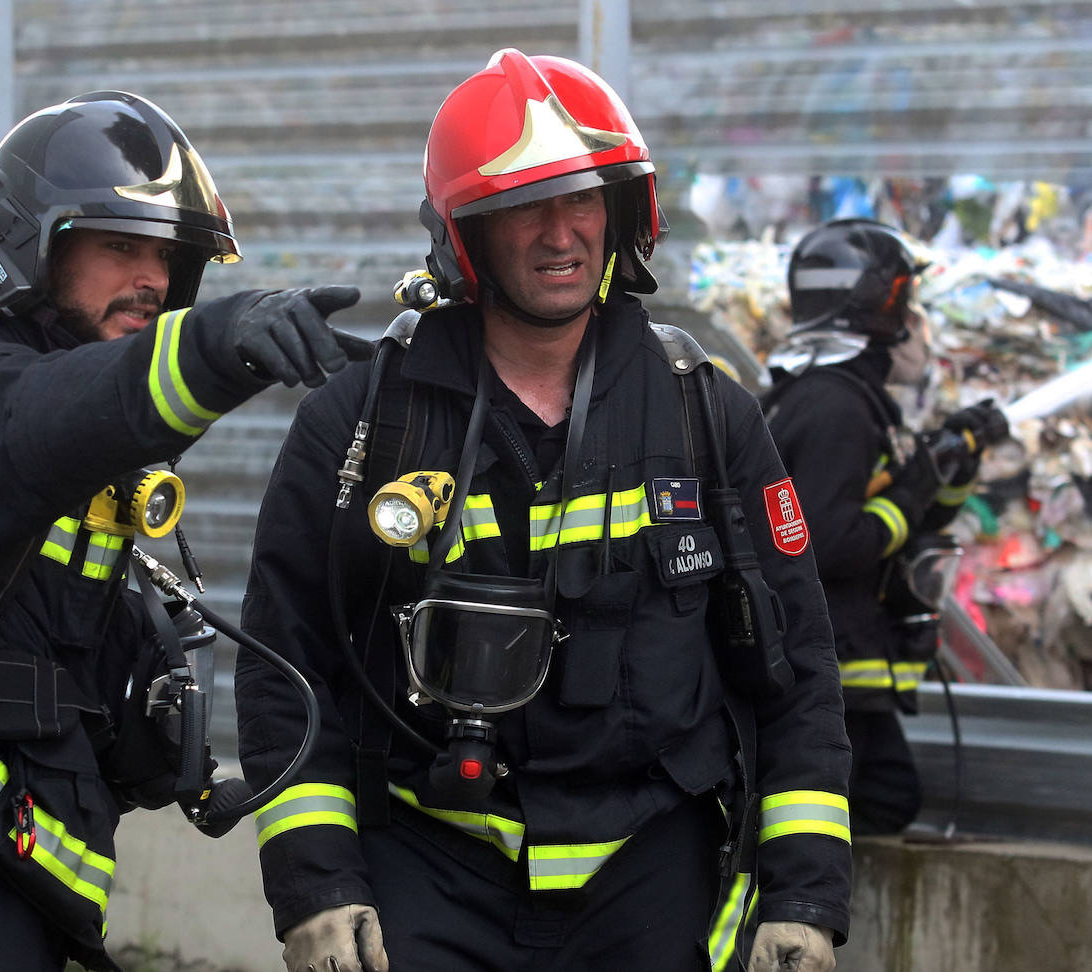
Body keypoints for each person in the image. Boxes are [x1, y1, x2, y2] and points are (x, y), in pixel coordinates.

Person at [234, 50, 852, 972]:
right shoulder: (367, 420)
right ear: (465, 234)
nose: (563, 234)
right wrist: (318, 885)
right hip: (428, 865)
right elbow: (289, 663)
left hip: (652, 871)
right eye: (526, 206)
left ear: (623, 211)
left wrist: (802, 892)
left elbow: (795, 661)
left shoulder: (702, 410)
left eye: (583, 200)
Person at [0, 90, 370, 971]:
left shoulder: (71, 459)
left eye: (168, 257)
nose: (154, 280)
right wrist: (217, 347)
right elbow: (57, 413)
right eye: (119, 246)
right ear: (32, 248)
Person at [762, 218, 1001, 835]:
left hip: (841, 666)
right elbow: (832, 542)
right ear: (876, 308)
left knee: (886, 797)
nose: (918, 321)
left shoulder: (836, 396)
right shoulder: (835, 406)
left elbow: (905, 519)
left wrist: (952, 463)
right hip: (827, 666)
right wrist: (913, 490)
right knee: (878, 801)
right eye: (907, 302)